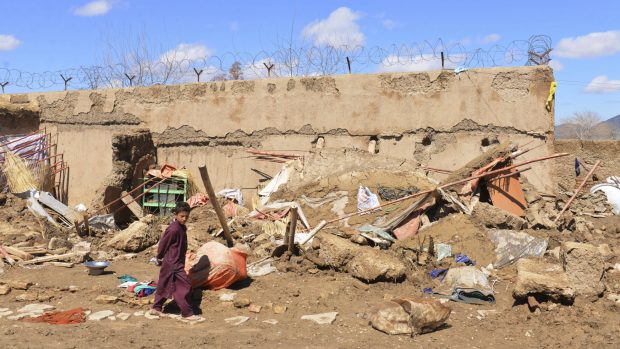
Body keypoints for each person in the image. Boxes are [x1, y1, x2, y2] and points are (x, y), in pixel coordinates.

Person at [149, 202, 204, 322]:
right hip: (173, 263)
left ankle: (156, 308)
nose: (184, 219)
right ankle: (187, 313)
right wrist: (159, 257)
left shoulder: (181, 227)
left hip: (175, 261)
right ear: (176, 214)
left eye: (186, 216)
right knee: (184, 286)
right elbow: (163, 243)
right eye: (182, 216)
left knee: (165, 284)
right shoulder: (173, 229)